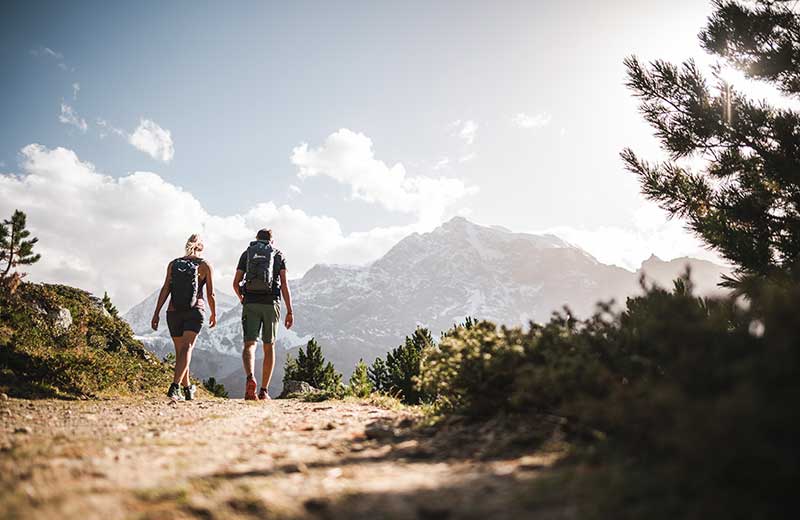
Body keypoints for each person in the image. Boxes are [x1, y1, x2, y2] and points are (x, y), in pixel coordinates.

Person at [151, 234, 217, 400]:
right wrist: (214, 313)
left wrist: (156, 312)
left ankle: (187, 389)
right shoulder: (204, 265)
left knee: (181, 351)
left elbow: (166, 288)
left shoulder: (173, 264)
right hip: (195, 310)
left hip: (173, 312)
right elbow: (211, 293)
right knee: (187, 348)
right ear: (201, 247)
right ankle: (174, 387)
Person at [233, 228, 293, 400]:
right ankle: (264, 391)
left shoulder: (247, 254)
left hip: (250, 302)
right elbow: (285, 285)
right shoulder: (278, 255)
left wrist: (242, 298)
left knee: (249, 344)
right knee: (269, 346)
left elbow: (235, 283)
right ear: (271, 240)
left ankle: (250, 378)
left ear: (257, 239)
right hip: (271, 303)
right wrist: (289, 310)